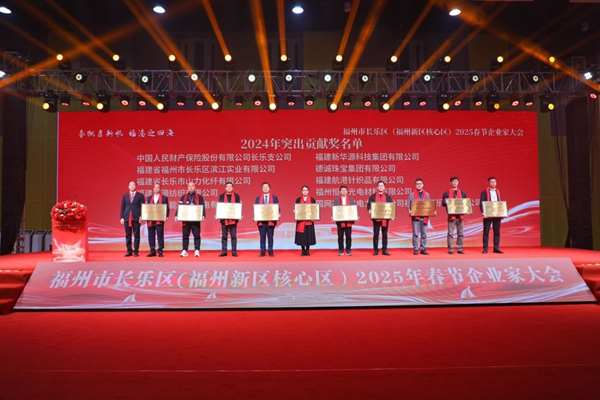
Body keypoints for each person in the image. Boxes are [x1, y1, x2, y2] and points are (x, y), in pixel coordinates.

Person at [174, 182, 205, 257]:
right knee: (185, 235)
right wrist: (176, 215)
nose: (191, 187)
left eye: (192, 186)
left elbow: (202, 207)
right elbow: (180, 207)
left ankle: (197, 250)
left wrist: (203, 215)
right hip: (186, 220)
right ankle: (185, 250)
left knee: (196, 235)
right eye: (189, 186)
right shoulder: (184, 197)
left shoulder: (199, 197)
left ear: (195, 187)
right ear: (187, 187)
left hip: (195, 220)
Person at [407, 178, 434, 256]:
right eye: (417, 184)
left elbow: (430, 205)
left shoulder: (427, 195)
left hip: (424, 217)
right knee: (415, 234)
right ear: (415, 185)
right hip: (416, 218)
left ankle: (423, 249)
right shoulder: (412, 195)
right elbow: (408, 205)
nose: (418, 185)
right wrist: (409, 210)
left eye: (420, 184)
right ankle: (415, 249)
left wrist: (433, 211)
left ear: (423, 185)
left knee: (424, 234)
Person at [367, 180, 394, 256]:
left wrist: (392, 215)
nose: (380, 187)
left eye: (382, 186)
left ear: (384, 187)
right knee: (376, 234)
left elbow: (391, 207)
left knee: (385, 234)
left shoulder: (388, 197)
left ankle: (384, 249)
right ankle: (375, 250)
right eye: (379, 186)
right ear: (377, 187)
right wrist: (369, 210)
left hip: (385, 218)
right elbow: (369, 205)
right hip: (376, 219)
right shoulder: (372, 196)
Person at [442, 176, 467, 254]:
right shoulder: (446, 193)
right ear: (450, 183)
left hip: (460, 216)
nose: (455, 183)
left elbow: (465, 204)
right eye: (453, 181)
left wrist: (467, 209)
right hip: (451, 216)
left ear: (458, 182)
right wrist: (445, 202)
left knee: (460, 233)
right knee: (450, 233)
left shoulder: (463, 193)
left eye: (456, 181)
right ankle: (450, 249)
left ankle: (459, 248)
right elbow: (443, 203)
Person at [120, 180, 145, 257]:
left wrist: (142, 216)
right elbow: (123, 207)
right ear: (128, 186)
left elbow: (143, 207)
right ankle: (129, 251)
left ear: (136, 186)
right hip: (127, 217)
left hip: (136, 217)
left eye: (133, 185)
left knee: (137, 235)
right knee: (128, 235)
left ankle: (136, 251)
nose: (132, 186)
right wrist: (122, 217)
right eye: (130, 185)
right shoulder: (125, 196)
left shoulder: (140, 195)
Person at [254, 182, 279, 257]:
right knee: (262, 237)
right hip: (261, 221)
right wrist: (255, 216)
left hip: (270, 221)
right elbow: (256, 209)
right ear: (262, 189)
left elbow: (277, 207)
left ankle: (270, 251)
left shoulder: (274, 197)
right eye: (264, 187)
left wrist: (278, 214)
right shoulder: (258, 198)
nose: (265, 188)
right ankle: (262, 251)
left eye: (267, 187)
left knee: (270, 237)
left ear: (269, 188)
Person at [480, 177, 504, 254]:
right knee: (486, 232)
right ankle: (485, 248)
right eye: (491, 182)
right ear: (488, 183)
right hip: (488, 215)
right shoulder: (484, 192)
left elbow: (501, 203)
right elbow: (481, 203)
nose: (493, 183)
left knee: (497, 232)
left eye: (494, 182)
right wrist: (483, 212)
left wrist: (502, 212)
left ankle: (496, 248)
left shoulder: (499, 192)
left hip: (497, 215)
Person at [218, 182, 241, 257]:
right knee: (224, 236)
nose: (229, 187)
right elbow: (220, 207)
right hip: (224, 219)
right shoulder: (221, 196)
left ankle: (234, 252)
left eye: (230, 186)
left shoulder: (236, 196)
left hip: (233, 219)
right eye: (227, 186)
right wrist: (218, 214)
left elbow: (238, 207)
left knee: (233, 236)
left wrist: (239, 214)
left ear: (233, 188)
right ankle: (224, 251)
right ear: (225, 188)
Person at [146, 183, 169, 257]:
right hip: (151, 220)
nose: (156, 189)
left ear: (160, 189)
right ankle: (152, 251)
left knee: (160, 236)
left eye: (158, 187)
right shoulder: (149, 198)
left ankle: (160, 251)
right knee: (151, 236)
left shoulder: (164, 198)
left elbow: (166, 208)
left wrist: (166, 216)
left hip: (159, 220)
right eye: (155, 187)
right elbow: (147, 208)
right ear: (153, 189)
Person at [333, 185, 356, 256]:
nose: (343, 191)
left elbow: (353, 210)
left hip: (348, 221)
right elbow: (335, 210)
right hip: (340, 221)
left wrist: (355, 216)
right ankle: (341, 250)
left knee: (348, 236)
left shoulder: (351, 200)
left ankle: (348, 249)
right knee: (340, 236)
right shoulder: (336, 201)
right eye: (342, 190)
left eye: (345, 190)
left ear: (347, 191)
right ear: (340, 192)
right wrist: (333, 216)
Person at [294, 186, 317, 256]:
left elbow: (314, 210)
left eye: (306, 190)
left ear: (308, 191)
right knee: (302, 236)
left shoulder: (312, 200)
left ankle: (307, 250)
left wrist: (314, 217)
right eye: (303, 190)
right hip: (301, 221)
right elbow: (296, 209)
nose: (305, 191)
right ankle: (303, 250)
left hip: (309, 221)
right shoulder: (298, 200)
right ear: (301, 191)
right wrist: (295, 211)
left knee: (308, 236)